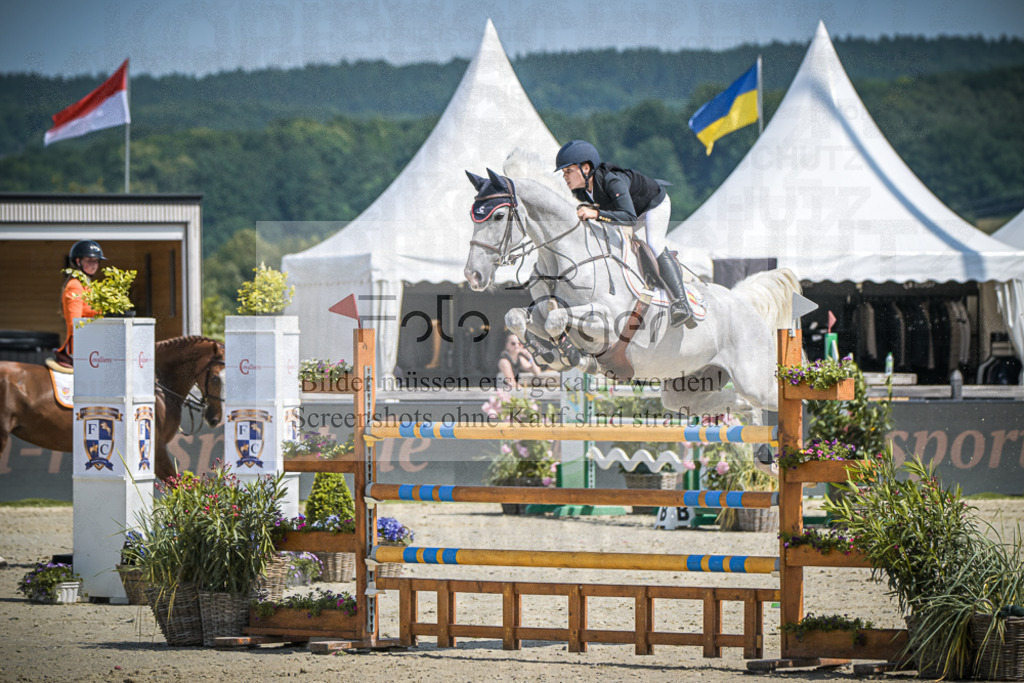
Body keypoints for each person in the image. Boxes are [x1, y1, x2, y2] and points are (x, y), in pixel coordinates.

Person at [554, 139, 694, 327]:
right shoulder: (582, 191)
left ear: (585, 168)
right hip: (630, 211)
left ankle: (681, 303)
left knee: (654, 245)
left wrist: (596, 214)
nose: (565, 177)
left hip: (652, 205)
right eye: (564, 172)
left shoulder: (612, 181)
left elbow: (629, 218)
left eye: (569, 171)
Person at [54, 240, 105, 366]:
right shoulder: (75, 286)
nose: (94, 265)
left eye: (96, 261)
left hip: (94, 345)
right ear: (78, 261)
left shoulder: (89, 286)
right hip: (80, 348)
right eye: (89, 260)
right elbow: (75, 324)